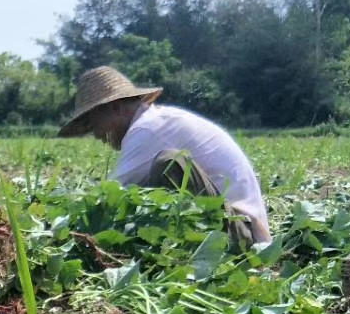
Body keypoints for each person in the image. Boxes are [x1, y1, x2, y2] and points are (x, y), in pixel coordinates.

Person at [59, 66, 271, 249]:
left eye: (95, 124)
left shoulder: (147, 129)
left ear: (116, 108)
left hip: (241, 233)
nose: (97, 135)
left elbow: (108, 200)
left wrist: (63, 225)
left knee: (170, 164)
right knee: (149, 187)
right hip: (233, 226)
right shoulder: (153, 122)